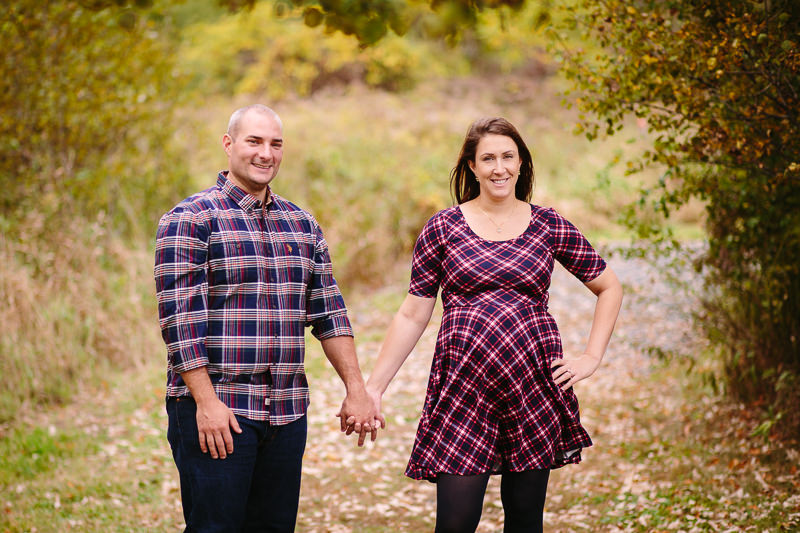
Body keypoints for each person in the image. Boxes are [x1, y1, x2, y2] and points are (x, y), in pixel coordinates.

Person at [363, 117, 623, 533]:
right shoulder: (443, 227)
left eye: (507, 157)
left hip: (533, 387)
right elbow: (413, 313)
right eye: (488, 158)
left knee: (524, 521)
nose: (499, 167)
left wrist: (591, 356)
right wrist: (374, 387)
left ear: (521, 164)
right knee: (455, 523)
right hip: (463, 388)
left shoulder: (548, 224)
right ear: (472, 166)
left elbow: (608, 286)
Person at [154, 104, 379, 533]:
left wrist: (357, 389)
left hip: (287, 415)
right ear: (228, 144)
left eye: (275, 144)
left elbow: (330, 313)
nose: (266, 153)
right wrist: (206, 402)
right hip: (220, 412)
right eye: (254, 141)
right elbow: (179, 324)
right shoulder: (190, 219)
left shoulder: (302, 225)